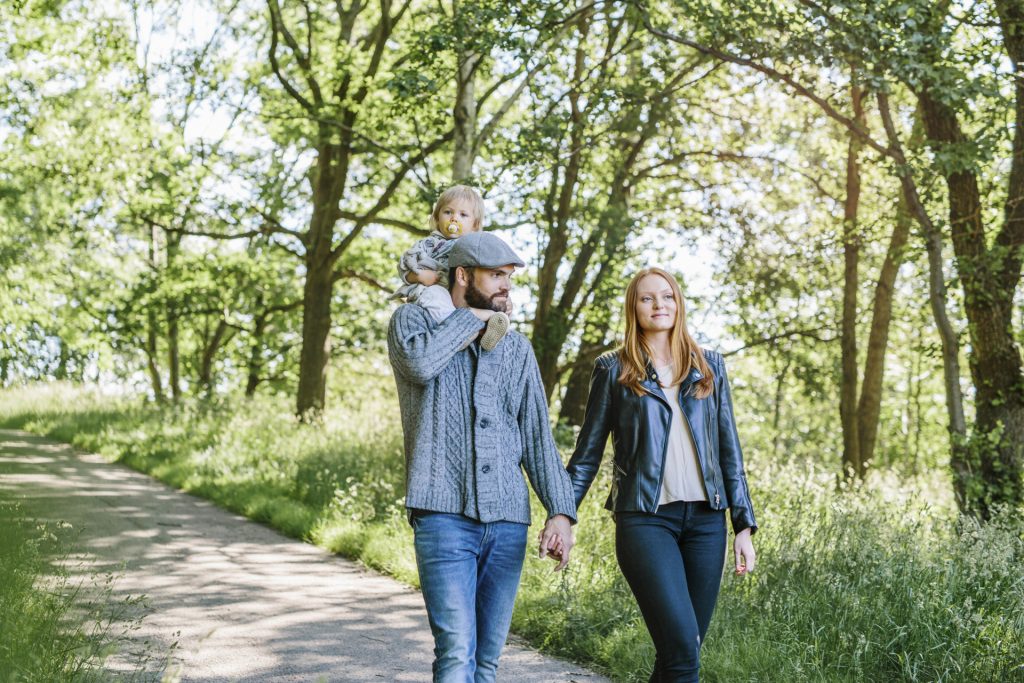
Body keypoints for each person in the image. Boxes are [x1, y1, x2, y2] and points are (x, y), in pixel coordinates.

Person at [387, 231, 576, 682]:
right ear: (463, 275)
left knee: (487, 662)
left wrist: (561, 513)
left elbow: (536, 437)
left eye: (508, 277)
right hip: (442, 514)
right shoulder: (412, 323)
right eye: (495, 276)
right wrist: (468, 318)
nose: (505, 286)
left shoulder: (516, 348)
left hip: (508, 520)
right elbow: (420, 365)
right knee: (455, 653)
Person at [566, 267, 757, 683]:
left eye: (667, 296)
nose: (659, 305)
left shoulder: (710, 367)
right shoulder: (613, 369)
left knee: (679, 654)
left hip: (708, 523)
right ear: (634, 307)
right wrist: (563, 515)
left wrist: (744, 525)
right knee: (683, 653)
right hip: (645, 520)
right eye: (647, 298)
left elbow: (730, 451)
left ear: (679, 303)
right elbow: (587, 454)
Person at [392, 184, 509, 351]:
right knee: (437, 296)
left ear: (475, 225)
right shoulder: (428, 245)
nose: (454, 218)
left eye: (463, 215)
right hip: (432, 289)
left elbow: (489, 275)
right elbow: (404, 269)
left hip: (459, 293)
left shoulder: (474, 249)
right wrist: (420, 276)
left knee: (483, 294)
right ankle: (459, 337)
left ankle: (491, 324)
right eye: (448, 212)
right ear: (437, 218)